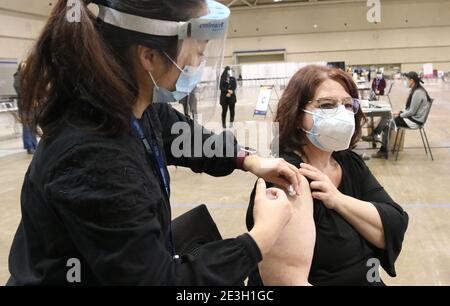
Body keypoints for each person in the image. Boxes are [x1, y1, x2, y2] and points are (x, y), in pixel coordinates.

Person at [7, 0, 306, 286]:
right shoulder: (93, 157)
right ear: (148, 56)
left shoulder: (132, 105)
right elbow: (159, 280)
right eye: (198, 52)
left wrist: (246, 159)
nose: (199, 61)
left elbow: (183, 135)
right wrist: (260, 240)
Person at [246, 65, 409, 286]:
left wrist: (337, 199)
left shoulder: (348, 162)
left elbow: (392, 225)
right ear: (296, 116)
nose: (342, 113)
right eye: (327, 105)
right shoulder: (288, 178)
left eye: (348, 104)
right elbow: (287, 282)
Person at [372, 71, 432, 158]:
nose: (405, 82)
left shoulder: (418, 93)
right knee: (388, 117)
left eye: (406, 80)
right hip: (412, 118)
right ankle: (377, 138)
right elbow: (409, 109)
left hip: (415, 121)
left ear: (412, 80)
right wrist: (400, 113)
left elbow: (412, 111)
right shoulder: (416, 90)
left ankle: (378, 141)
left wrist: (400, 115)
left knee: (388, 122)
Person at [13, 62, 37, 155]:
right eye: (23, 65)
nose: (26, 67)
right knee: (27, 126)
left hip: (33, 105)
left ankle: (34, 144)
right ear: (20, 67)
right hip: (25, 105)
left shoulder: (31, 77)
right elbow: (18, 89)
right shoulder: (18, 77)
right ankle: (29, 146)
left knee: (33, 125)